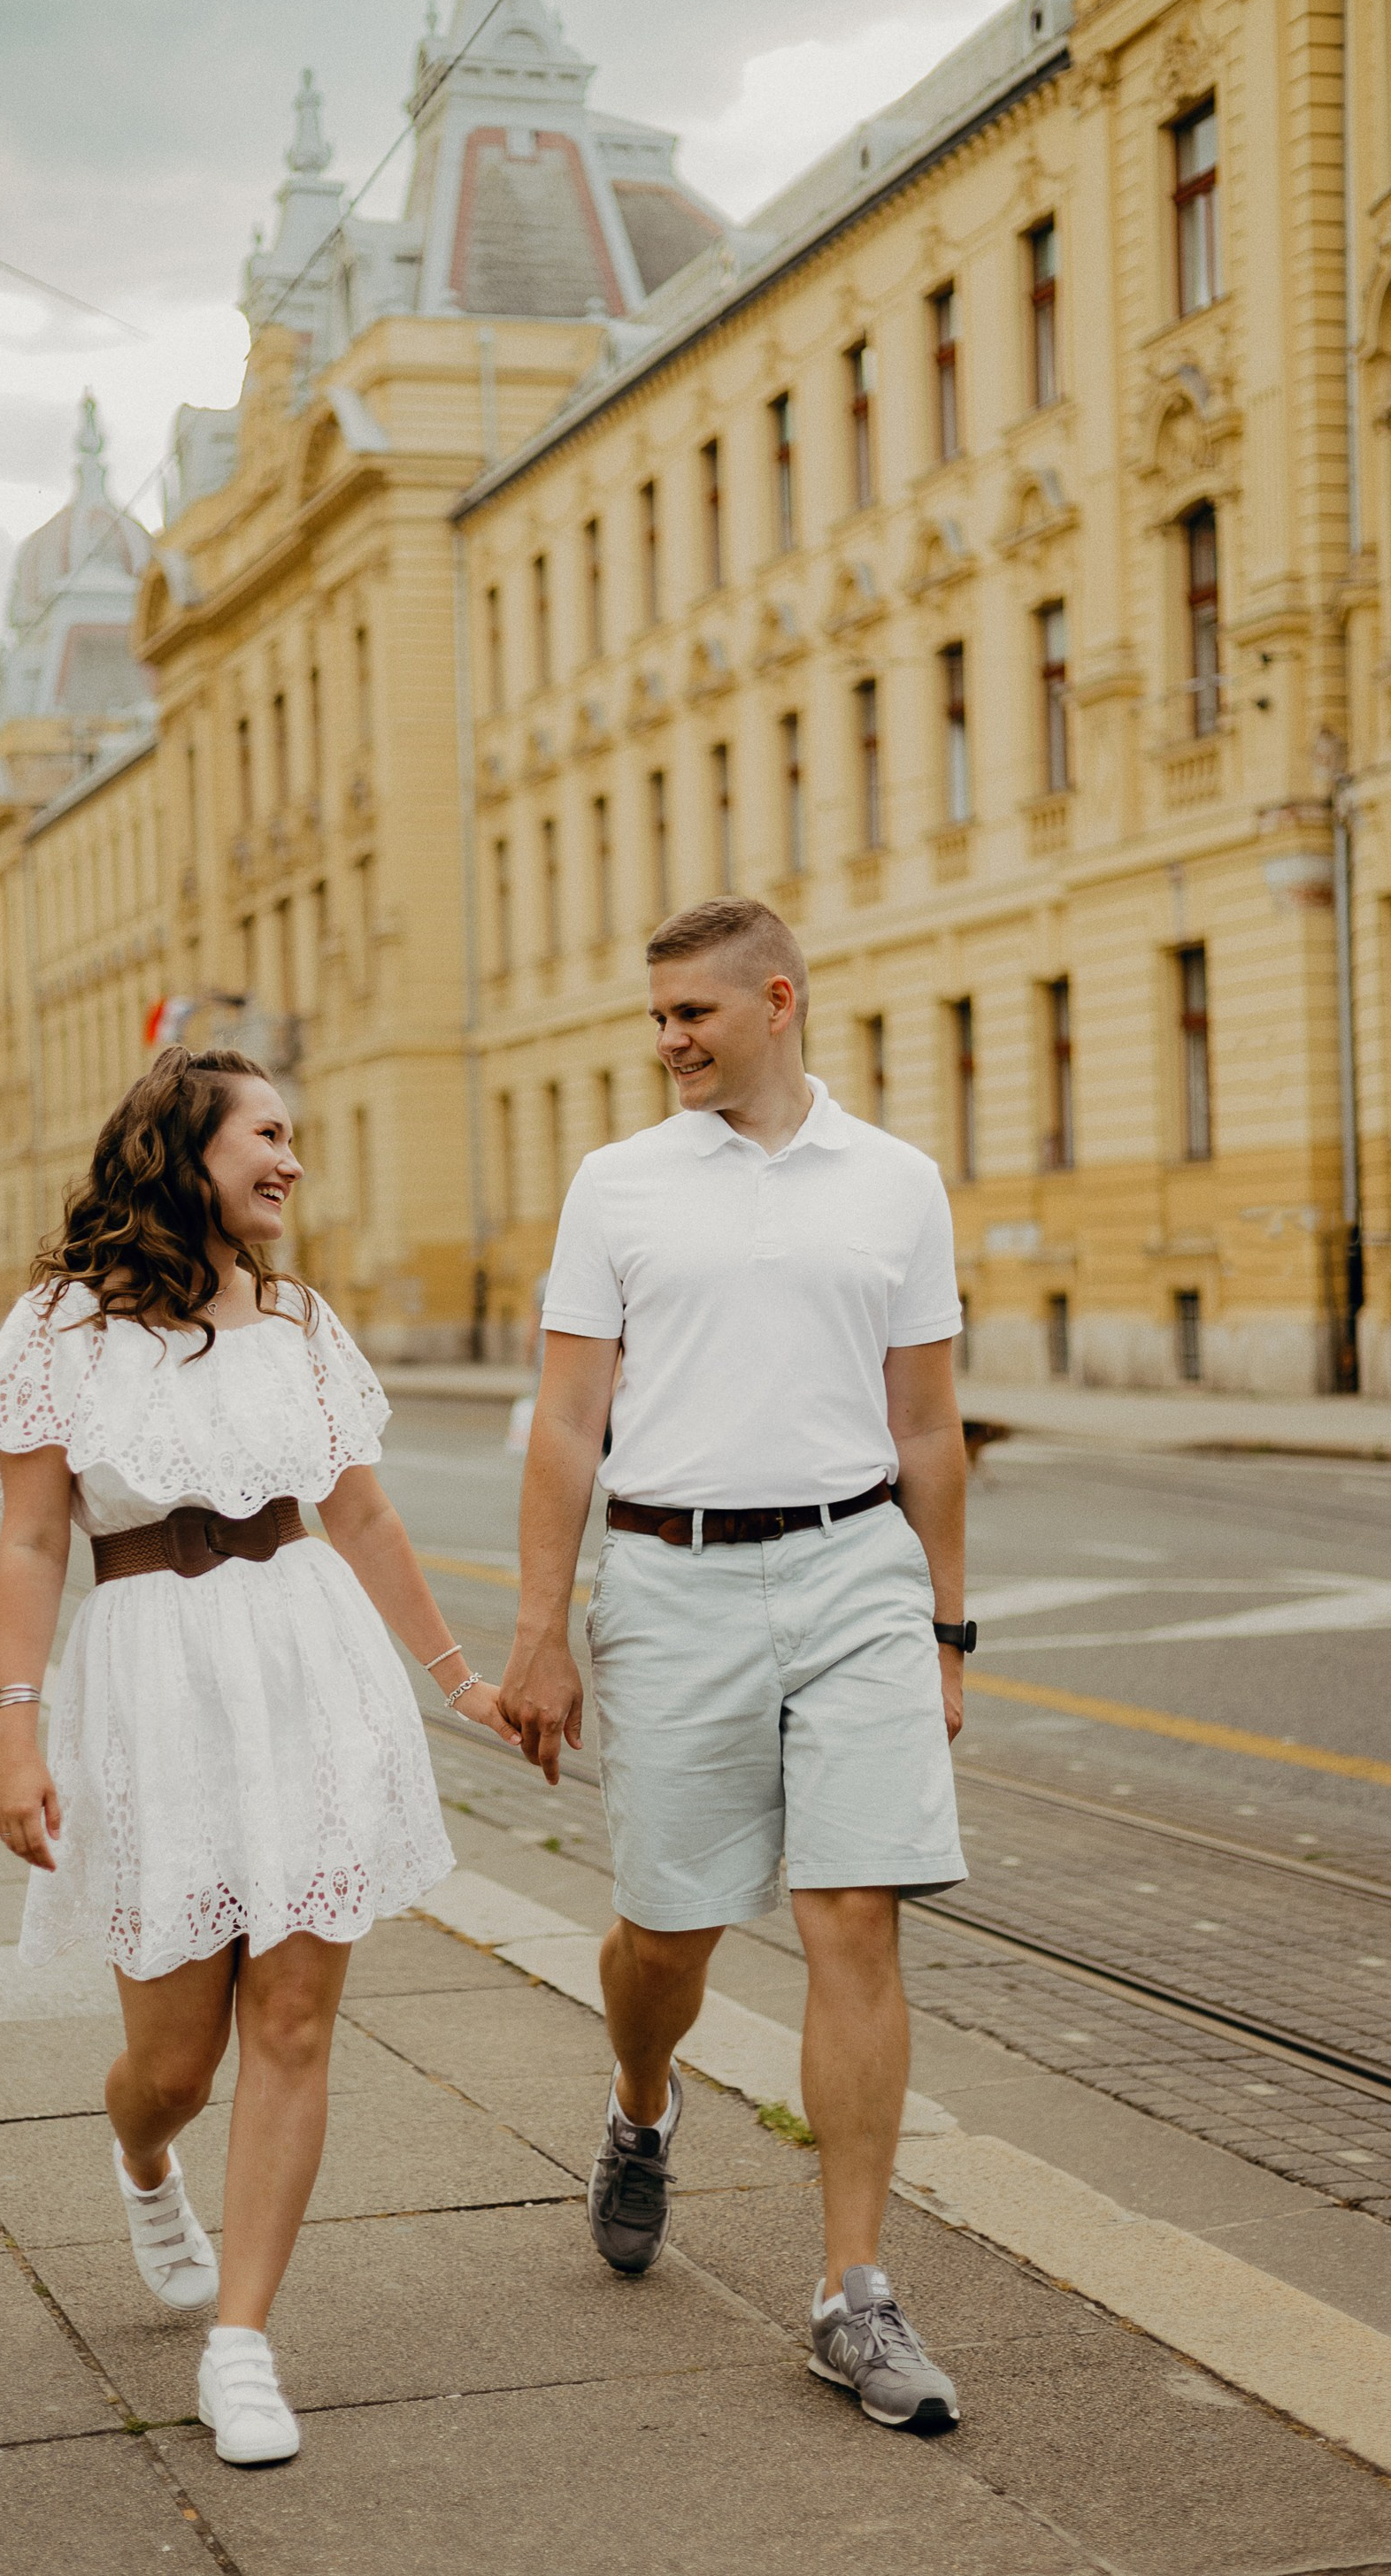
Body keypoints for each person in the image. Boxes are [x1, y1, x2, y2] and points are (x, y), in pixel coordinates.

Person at [0, 1047, 514, 2467]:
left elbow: (368, 1522)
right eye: (269, 1135)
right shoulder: (64, 1328)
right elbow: (31, 1538)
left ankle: (244, 2345)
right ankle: (144, 2157)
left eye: (295, 1136)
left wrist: (462, 1684)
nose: (293, 1161)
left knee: (296, 2020)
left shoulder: (304, 1323)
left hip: (307, 1664)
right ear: (183, 1152)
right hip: (150, 1682)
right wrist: (14, 1729)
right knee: (177, 2061)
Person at [499, 897, 971, 2434]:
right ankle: (642, 2104)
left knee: (854, 1918)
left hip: (854, 1570)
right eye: (656, 1018)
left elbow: (926, 1430)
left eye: (690, 1015)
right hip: (672, 1573)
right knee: (669, 1940)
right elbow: (569, 1422)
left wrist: (946, 1626)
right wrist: (539, 1633)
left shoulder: (897, 1182)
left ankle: (852, 2293)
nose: (668, 1042)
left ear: (777, 1001)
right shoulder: (618, 1184)